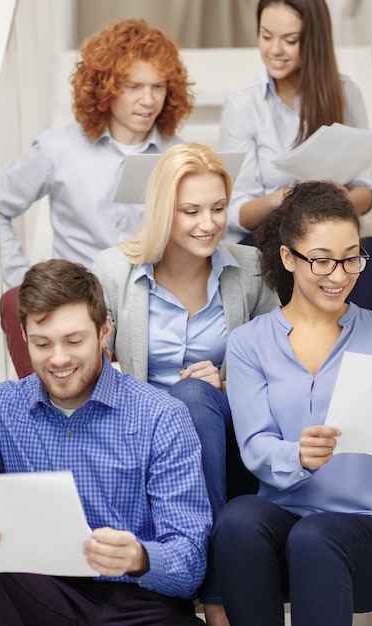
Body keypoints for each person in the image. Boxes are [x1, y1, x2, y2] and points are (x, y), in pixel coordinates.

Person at [212, 181, 372, 626]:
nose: (340, 275)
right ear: (288, 258)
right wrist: (298, 455)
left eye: (351, 258)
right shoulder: (249, 344)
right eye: (322, 260)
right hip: (289, 535)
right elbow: (255, 448)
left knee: (316, 536)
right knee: (238, 519)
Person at [0, 259, 212, 626]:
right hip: (42, 591)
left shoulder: (161, 416)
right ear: (24, 336)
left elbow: (190, 561)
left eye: (73, 340)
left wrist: (139, 557)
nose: (59, 358)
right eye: (42, 343)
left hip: (137, 601)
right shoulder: (1, 407)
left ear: (104, 332)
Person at [92, 143, 279, 626]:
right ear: (162, 211)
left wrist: (228, 380)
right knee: (183, 403)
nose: (209, 224)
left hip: (224, 426)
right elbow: (94, 364)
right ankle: (213, 593)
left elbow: (278, 361)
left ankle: (214, 592)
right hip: (143, 434)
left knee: (196, 398)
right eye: (191, 210)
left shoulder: (251, 270)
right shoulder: (113, 271)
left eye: (218, 208)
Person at [0, 18, 194, 378]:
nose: (148, 100)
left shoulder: (181, 156)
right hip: (72, 298)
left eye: (158, 86)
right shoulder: (57, 149)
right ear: (104, 87)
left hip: (150, 301)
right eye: (133, 86)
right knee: (17, 301)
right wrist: (21, 276)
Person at [220, 0, 372, 315]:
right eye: (266, 35)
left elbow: (366, 190)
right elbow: (238, 212)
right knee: (266, 260)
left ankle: (342, 353)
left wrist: (341, 198)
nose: (274, 49)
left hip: (330, 235)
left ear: (313, 40)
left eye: (289, 40)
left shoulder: (344, 93)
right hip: (269, 239)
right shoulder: (243, 106)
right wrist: (289, 198)